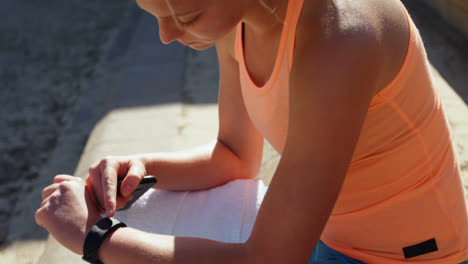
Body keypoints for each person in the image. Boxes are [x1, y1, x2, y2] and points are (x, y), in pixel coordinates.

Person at [35, 0, 468, 263]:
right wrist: (141, 168)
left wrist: (96, 237)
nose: (166, 35)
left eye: (186, 15)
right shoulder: (239, 21)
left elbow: (272, 259)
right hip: (326, 239)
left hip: (406, 258)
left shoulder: (341, 35)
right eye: (154, 12)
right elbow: (234, 154)